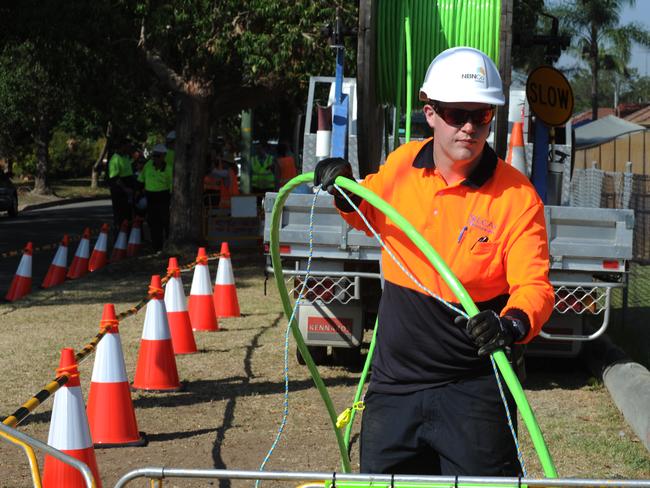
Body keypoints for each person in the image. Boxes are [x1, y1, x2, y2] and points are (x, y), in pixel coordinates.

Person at [314, 47, 555, 476]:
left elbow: (534, 287)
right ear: (430, 112)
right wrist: (342, 188)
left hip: (475, 391)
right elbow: (366, 210)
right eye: (456, 113)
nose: (469, 126)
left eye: (481, 115)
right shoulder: (404, 164)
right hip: (394, 388)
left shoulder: (517, 198)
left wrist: (511, 324)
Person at [137, 143, 173, 252]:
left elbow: (172, 184)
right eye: (154, 156)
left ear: (163, 156)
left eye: (158, 156)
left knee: (165, 221)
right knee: (153, 222)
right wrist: (139, 191)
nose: (155, 158)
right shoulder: (148, 165)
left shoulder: (169, 169)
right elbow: (141, 179)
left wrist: (171, 198)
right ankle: (156, 246)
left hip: (163, 197)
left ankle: (167, 244)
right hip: (151, 197)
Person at [107, 140, 135, 231]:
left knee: (128, 214)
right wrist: (125, 189)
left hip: (127, 190)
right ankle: (119, 238)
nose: (129, 148)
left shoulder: (126, 157)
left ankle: (127, 237)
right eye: (128, 146)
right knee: (120, 215)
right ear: (122, 147)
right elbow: (115, 178)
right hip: (119, 191)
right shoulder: (115, 159)